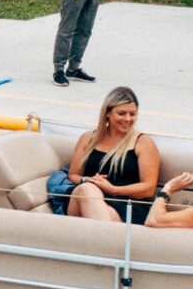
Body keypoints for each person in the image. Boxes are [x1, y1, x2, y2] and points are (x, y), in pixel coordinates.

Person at [47, 85, 160, 223]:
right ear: (108, 113)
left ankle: (100, 240)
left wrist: (114, 189)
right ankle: (106, 239)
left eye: (132, 114)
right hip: (87, 197)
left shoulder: (143, 142)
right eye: (122, 113)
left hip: (128, 204)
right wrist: (85, 180)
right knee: (87, 189)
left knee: (99, 211)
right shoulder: (88, 138)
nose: (128, 119)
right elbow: (73, 174)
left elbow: (148, 188)